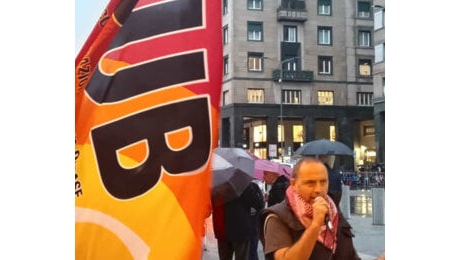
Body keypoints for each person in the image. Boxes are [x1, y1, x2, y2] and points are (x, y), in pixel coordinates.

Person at [259, 157, 361, 260]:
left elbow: (350, 256)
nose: (318, 189)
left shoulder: (333, 212)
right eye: (310, 183)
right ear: (294, 184)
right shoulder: (277, 217)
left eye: (323, 182)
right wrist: (315, 225)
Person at [212, 181, 265, 260]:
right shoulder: (242, 183)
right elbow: (258, 204)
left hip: (221, 228)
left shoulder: (216, 184)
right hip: (240, 230)